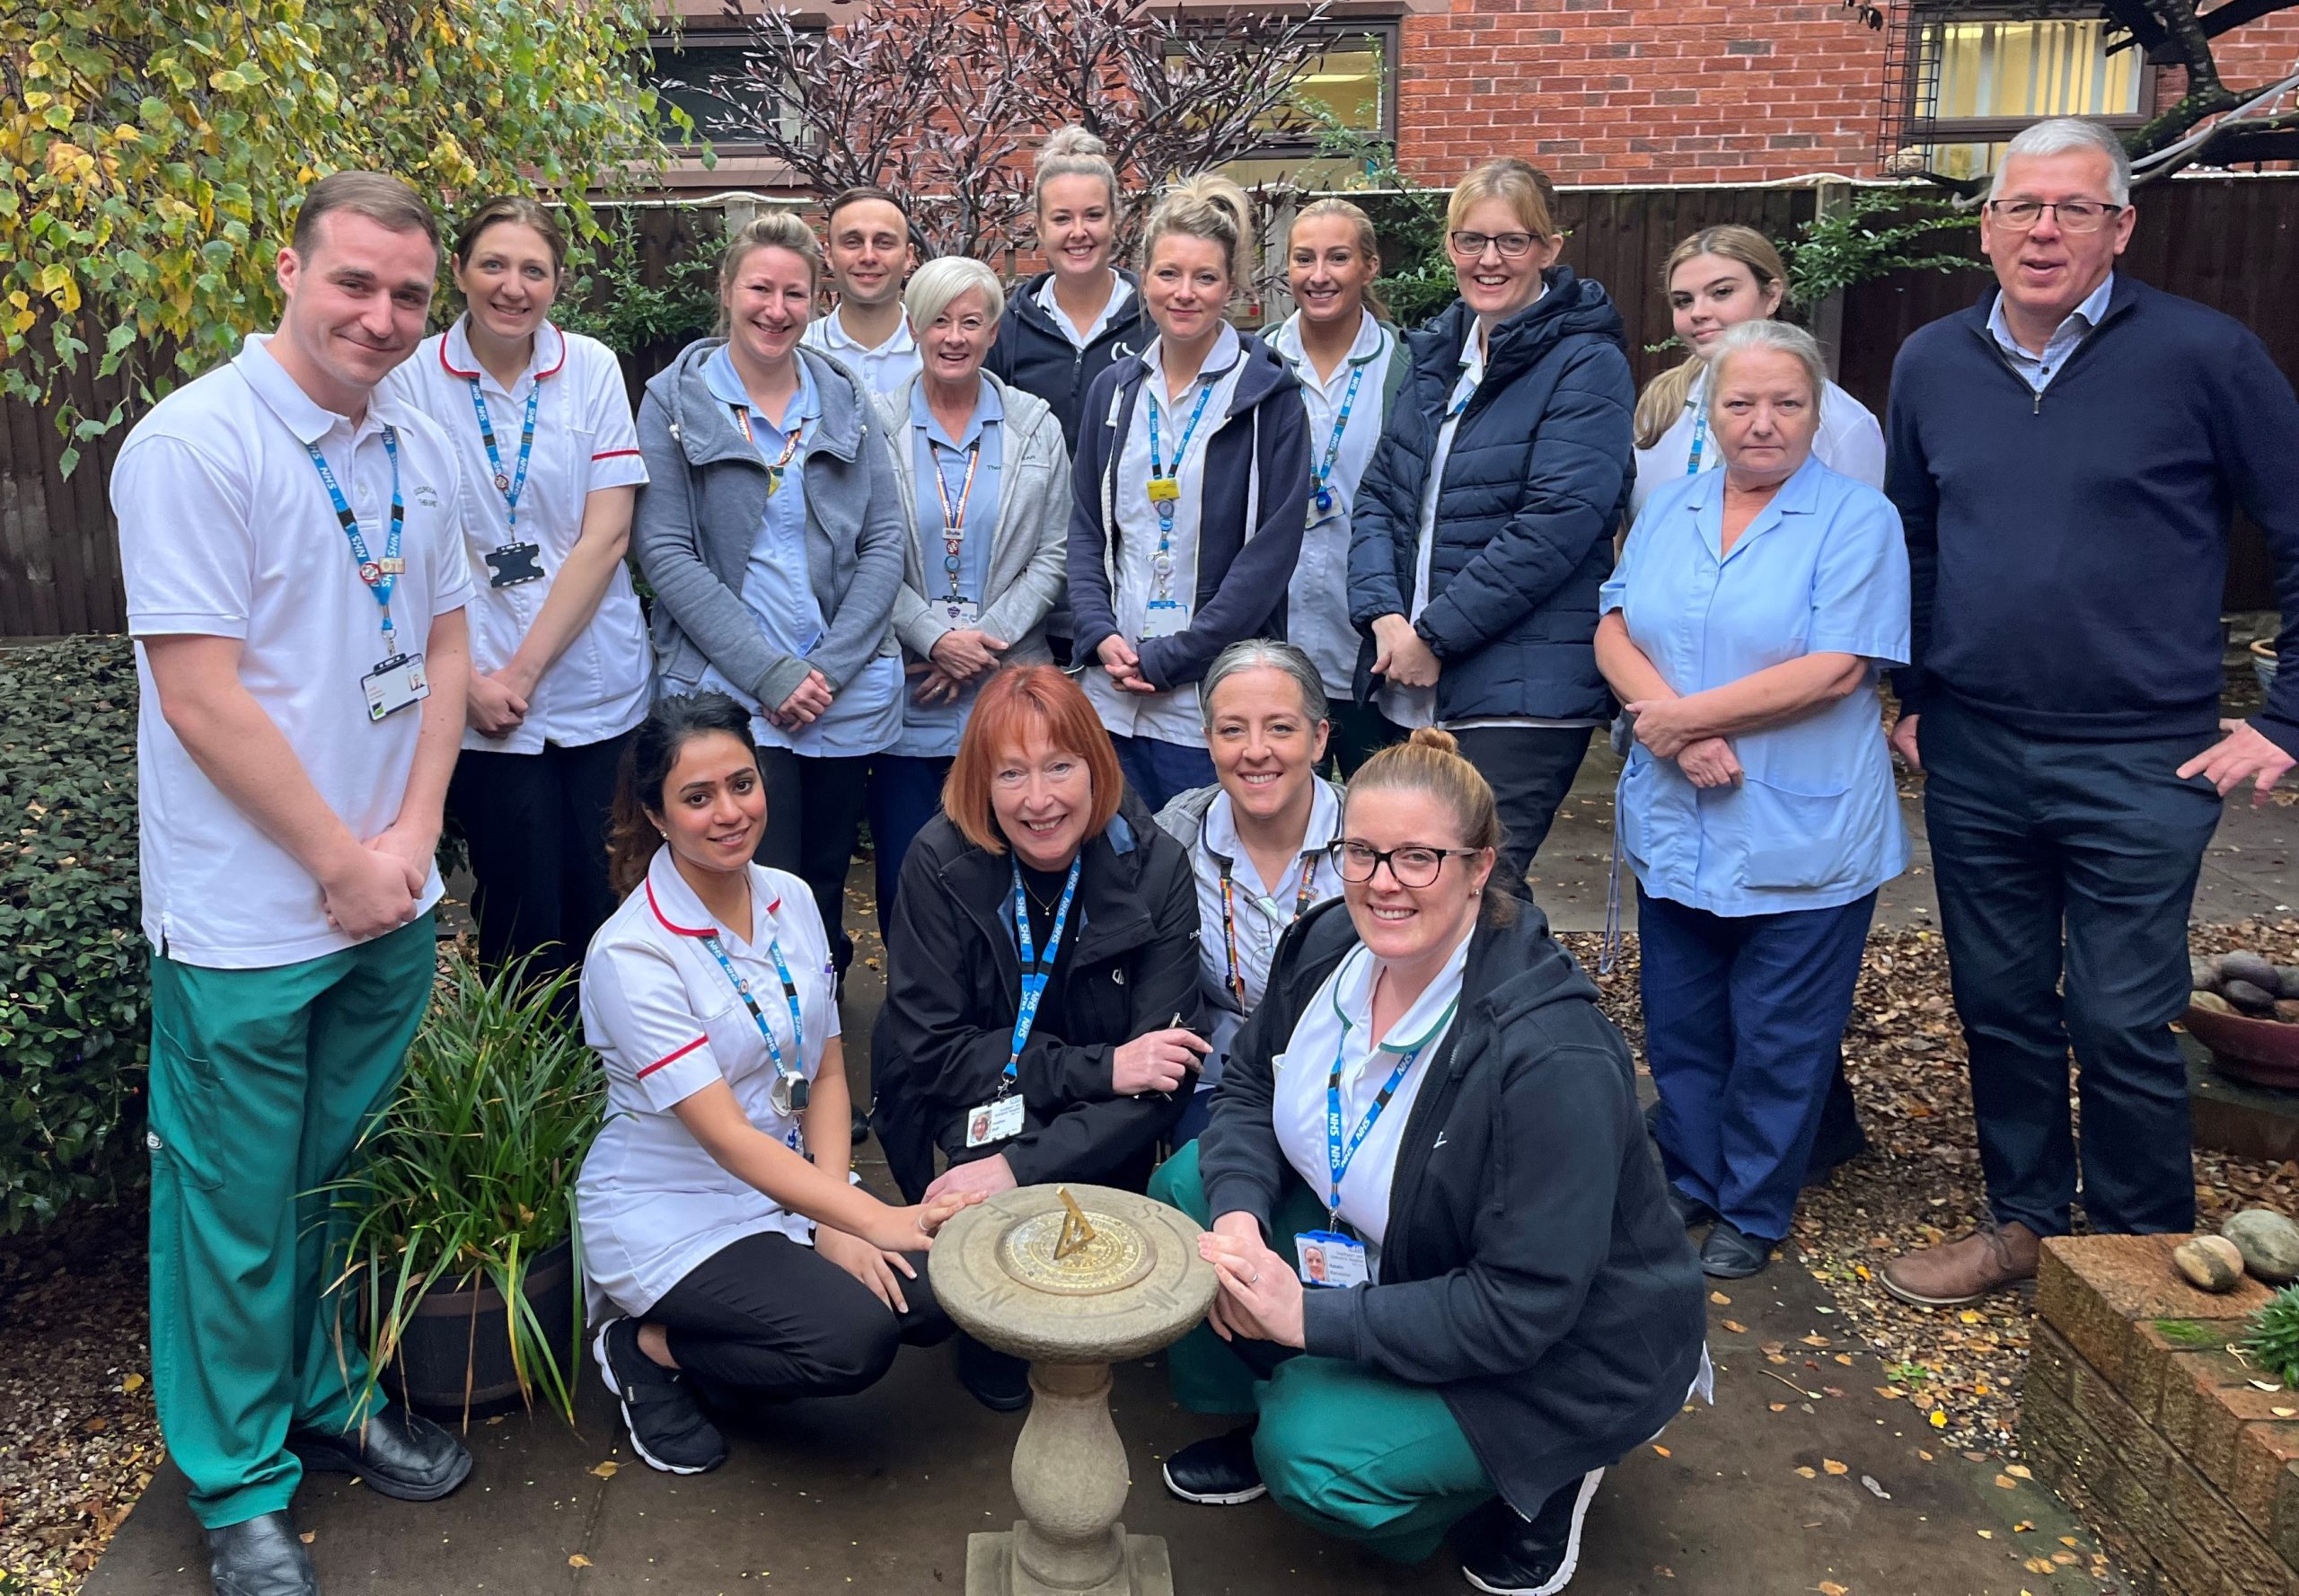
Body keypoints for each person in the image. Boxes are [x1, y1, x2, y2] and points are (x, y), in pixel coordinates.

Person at [110, 172, 476, 1596]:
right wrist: (336, 860)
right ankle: (236, 1481)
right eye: (355, 285)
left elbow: (444, 648)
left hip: (387, 896)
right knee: (232, 1207)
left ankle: (329, 1397)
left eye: (406, 296)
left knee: (343, 1182)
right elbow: (201, 698)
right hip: (250, 916)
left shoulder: (416, 439)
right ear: (290, 268)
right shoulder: (194, 445)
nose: (381, 318)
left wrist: (413, 843)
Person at [1879, 118, 2299, 1307]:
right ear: (1988, 226)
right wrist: (1910, 690)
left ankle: (2136, 1259)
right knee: (2000, 1003)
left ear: (2122, 226)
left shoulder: (2205, 357)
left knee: (2121, 1016)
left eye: (2074, 209)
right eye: (2023, 208)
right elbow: (1911, 535)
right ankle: (2021, 1223)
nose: (2044, 229)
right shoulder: (1932, 363)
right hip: (1975, 748)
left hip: (2143, 757)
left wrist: (2287, 717)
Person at [1149, 728, 1706, 1596]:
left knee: (1317, 1453)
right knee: (1190, 1189)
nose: (1382, 882)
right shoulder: (1329, 942)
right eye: (1363, 852)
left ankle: (1542, 1475)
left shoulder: (1551, 1054)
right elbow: (1249, 1086)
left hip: (1563, 1345)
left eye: (1419, 857)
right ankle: (1255, 1405)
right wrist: (1238, 1223)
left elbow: (1523, 1304)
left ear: (1480, 868)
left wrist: (1310, 1320)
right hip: (1397, 1244)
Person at [578, 693, 977, 1476]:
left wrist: (835, 1215)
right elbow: (725, 1136)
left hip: (790, 1183)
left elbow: (825, 1068)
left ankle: (773, 1295)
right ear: (657, 816)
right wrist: (864, 1215)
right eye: (697, 797)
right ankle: (645, 1345)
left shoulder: (789, 897)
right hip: (676, 1206)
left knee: (936, 1293)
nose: (728, 812)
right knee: (851, 1341)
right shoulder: (633, 955)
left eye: (742, 783)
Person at [1596, 321, 1910, 1280]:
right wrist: (1672, 724)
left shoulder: (1858, 520)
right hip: (1676, 814)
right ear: (1710, 411)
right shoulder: (1673, 507)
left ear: (1817, 412)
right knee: (1682, 1020)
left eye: (1786, 403)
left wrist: (1681, 720)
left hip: (1798, 830)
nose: (1762, 423)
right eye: (1740, 403)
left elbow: (1835, 668)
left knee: (1780, 1036)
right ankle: (1691, 1172)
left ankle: (1753, 1206)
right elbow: (1612, 625)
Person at [871, 666, 1208, 1406]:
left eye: (1061, 766)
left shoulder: (1156, 868)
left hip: (1096, 1127)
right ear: (981, 783)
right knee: (960, 1310)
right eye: (1012, 773)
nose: (1040, 798)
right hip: (974, 1103)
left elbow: (1164, 1071)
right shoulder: (939, 860)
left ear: (1097, 765)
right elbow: (935, 1049)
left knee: (1092, 1289)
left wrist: (1022, 1168)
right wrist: (1099, 1067)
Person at [377, 195, 650, 983]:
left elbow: (606, 535)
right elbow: (404, 543)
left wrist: (522, 672)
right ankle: (531, 1097)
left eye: (534, 269)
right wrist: (467, 686)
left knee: (607, 896)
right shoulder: (410, 379)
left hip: (595, 685)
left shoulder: (590, 367)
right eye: (493, 264)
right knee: (515, 908)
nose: (512, 286)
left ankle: (620, 1083)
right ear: (458, 270)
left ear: (558, 282)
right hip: (475, 694)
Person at [634, 211, 907, 984]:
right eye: (760, 288)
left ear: (817, 300)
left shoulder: (844, 398)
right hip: (731, 695)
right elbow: (664, 550)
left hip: (838, 693)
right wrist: (771, 674)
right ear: (727, 290)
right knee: (748, 889)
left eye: (795, 292)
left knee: (822, 887)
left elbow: (885, 542)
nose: (776, 309)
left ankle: (816, 1063)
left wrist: (826, 668)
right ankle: (745, 1069)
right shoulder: (676, 402)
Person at [1349, 159, 1635, 891]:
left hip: (1522, 690)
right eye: (1470, 240)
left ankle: (1512, 1011)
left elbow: (1557, 524)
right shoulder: (1438, 357)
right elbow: (1382, 494)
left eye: (1511, 241)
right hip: (1410, 675)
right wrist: (1383, 615)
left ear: (1550, 247)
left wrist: (1433, 634)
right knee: (1416, 891)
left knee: (1476, 892)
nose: (1488, 260)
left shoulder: (1587, 363)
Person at [1067, 173, 1312, 811]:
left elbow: (1269, 558)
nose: (1185, 293)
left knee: (1198, 878)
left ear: (1231, 288)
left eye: (1205, 278)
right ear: (1143, 277)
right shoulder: (1114, 392)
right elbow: (1087, 530)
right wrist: (1097, 631)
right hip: (1110, 691)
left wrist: (1176, 655)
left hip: (1209, 700)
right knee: (1113, 880)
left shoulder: (1270, 401)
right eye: (1168, 274)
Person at [867, 257, 1070, 926]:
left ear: (993, 332)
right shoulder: (874, 426)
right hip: (911, 698)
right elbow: (858, 552)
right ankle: (920, 1025)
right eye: (939, 321)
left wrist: (983, 645)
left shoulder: (1035, 424)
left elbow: (1056, 550)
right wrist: (933, 636)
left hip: (1008, 693)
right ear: (914, 327)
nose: (954, 336)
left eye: (971, 322)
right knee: (907, 887)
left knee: (1011, 883)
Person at [1155, 641, 1347, 1144]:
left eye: (1281, 727)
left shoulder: (1372, 841)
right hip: (1218, 1087)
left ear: (1319, 738)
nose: (1255, 750)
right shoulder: (1172, 840)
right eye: (1232, 730)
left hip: (1350, 1086)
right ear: (1208, 740)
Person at [1263, 199, 1408, 773]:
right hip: (1279, 638)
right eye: (1304, 259)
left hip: (1375, 647)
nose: (1318, 275)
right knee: (1287, 820)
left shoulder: (1407, 365)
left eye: (1338, 257)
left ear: (1369, 267)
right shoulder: (1257, 361)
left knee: (1383, 818)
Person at [1627, 225, 1884, 522]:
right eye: (1683, 300)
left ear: (1772, 295)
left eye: (1721, 292)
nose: (1698, 312)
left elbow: (1860, 537)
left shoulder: (1844, 422)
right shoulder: (1661, 404)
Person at [984, 128, 1151, 454]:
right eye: (1062, 218)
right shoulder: (1007, 330)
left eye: (1093, 215)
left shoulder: (1152, 322)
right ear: (1039, 226)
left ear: (1114, 220)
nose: (1079, 232)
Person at [799, 186, 921, 398]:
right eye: (852, 242)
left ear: (908, 257)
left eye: (883, 243)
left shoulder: (937, 353)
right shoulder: (800, 351)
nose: (868, 256)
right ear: (829, 255)